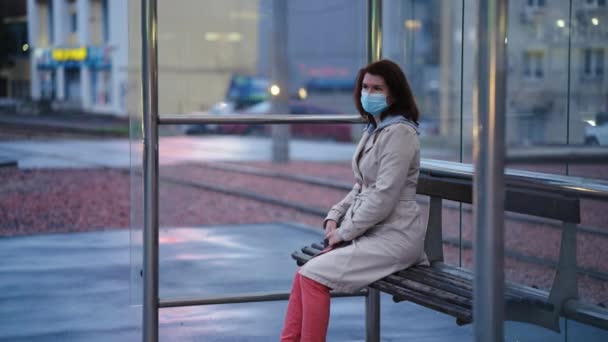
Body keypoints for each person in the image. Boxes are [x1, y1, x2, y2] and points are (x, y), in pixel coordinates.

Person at [280, 59, 429, 342]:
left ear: (393, 94)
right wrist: (334, 216)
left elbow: (384, 196)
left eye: (377, 88)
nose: (368, 93)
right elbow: (361, 186)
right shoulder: (376, 129)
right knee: (304, 275)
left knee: (312, 276)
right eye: (365, 87)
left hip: (395, 237)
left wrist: (344, 233)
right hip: (373, 233)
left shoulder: (400, 133)